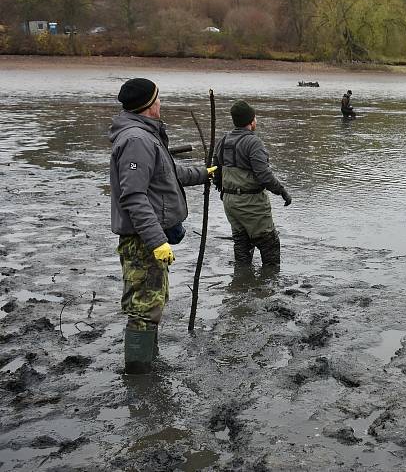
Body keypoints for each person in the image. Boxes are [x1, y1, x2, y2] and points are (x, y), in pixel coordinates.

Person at [109, 78, 215, 374]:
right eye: (157, 99)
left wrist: (203, 174)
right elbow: (134, 196)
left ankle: (147, 365)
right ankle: (139, 377)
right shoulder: (137, 140)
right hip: (142, 239)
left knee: (152, 301)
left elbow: (167, 174)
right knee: (144, 306)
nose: (160, 104)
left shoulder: (146, 136)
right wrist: (157, 242)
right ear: (147, 105)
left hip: (147, 237)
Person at [212, 101, 292, 268]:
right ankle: (270, 286)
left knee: (242, 244)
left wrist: (222, 189)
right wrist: (282, 191)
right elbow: (264, 175)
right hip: (251, 203)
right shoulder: (253, 143)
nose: (256, 120)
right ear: (250, 121)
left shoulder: (223, 140)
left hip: (230, 202)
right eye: (255, 117)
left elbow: (216, 170)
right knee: (269, 244)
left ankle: (240, 282)